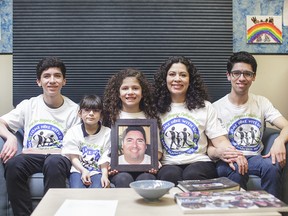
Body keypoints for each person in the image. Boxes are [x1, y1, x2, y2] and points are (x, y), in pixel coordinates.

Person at [0, 56, 80, 216]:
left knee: (53, 162)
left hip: (59, 157)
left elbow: (76, 146)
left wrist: (40, 152)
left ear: (64, 81)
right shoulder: (28, 105)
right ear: (39, 81)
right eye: (46, 76)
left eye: (57, 76)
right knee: (14, 164)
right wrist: (10, 137)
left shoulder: (74, 110)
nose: (52, 80)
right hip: (31, 158)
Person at [153, 56, 247, 185]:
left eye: (183, 75)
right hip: (169, 163)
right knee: (170, 175)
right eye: (172, 74)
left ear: (190, 80)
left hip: (201, 162)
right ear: (165, 79)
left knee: (192, 174)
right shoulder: (155, 109)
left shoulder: (205, 106)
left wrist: (234, 154)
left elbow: (219, 140)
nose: (177, 79)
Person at [213, 51, 288, 199]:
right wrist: (231, 155)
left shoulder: (261, 102)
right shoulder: (215, 108)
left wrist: (279, 141)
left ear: (254, 77)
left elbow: (286, 125)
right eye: (236, 73)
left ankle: (272, 212)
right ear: (228, 75)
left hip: (255, 158)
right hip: (229, 159)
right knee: (235, 170)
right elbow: (213, 143)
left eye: (247, 73)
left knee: (272, 167)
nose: (242, 78)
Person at [102, 68, 162, 187]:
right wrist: (110, 165)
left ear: (142, 92)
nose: (130, 92)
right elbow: (104, 148)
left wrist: (153, 163)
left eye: (135, 88)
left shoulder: (151, 117)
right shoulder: (109, 117)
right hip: (119, 171)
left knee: (147, 178)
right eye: (125, 88)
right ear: (118, 93)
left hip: (145, 170)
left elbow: (158, 151)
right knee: (123, 178)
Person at [62, 95, 111, 188]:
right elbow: (73, 156)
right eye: (87, 110)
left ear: (101, 115)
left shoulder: (108, 133)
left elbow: (106, 157)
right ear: (80, 113)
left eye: (96, 111)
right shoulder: (73, 132)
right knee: (77, 191)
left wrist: (105, 175)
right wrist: (83, 171)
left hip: (98, 171)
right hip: (78, 170)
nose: (91, 114)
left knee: (98, 191)